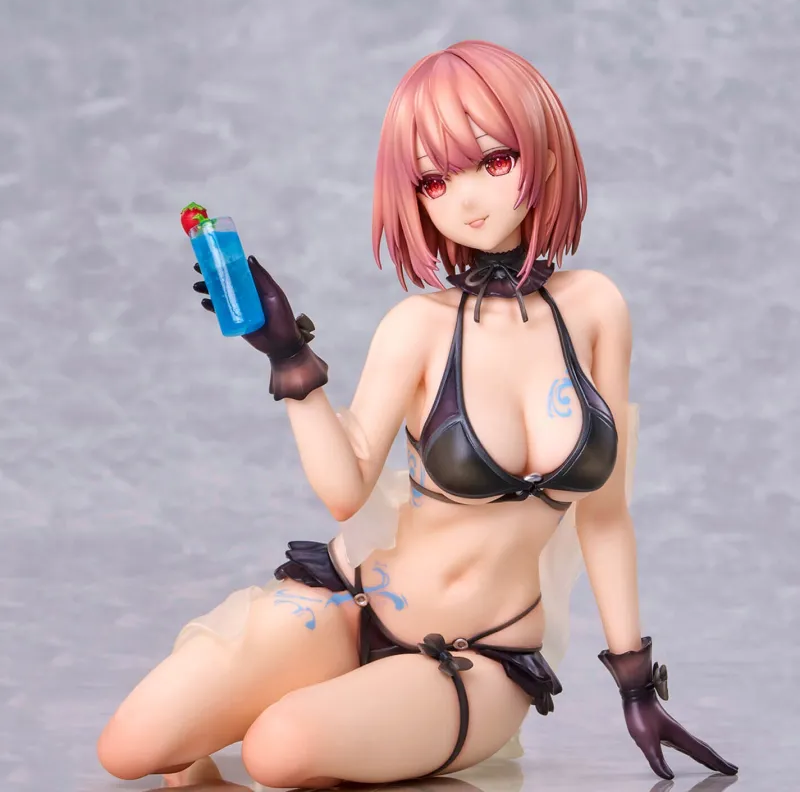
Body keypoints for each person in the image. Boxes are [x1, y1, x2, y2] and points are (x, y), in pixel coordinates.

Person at [96, 40, 738, 789]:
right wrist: (289, 359)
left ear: (544, 151)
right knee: (129, 749)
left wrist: (636, 686)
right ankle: (329, 710)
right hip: (352, 603)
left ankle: (332, 723)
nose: (466, 200)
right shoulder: (418, 326)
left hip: (480, 656)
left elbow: (606, 518)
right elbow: (346, 490)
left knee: (278, 751)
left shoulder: (596, 308)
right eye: (434, 180)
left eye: (494, 162)